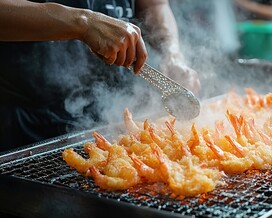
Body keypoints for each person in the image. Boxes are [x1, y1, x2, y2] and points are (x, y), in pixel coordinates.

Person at [0, 0, 200, 152]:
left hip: (112, 112)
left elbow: (155, 4)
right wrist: (84, 23)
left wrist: (172, 54)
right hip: (26, 120)